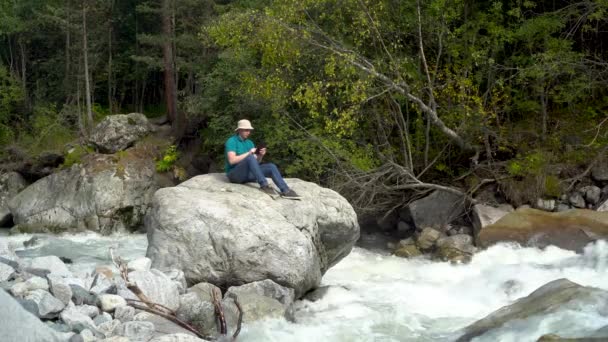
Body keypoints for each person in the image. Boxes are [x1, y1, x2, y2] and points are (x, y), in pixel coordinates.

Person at [225, 119, 301, 199]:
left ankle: (285, 190)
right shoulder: (231, 141)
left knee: (271, 166)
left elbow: (256, 163)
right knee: (250, 157)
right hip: (234, 175)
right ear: (239, 130)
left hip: (247, 175)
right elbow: (232, 161)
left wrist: (260, 155)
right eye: (246, 130)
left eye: (249, 130)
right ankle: (264, 185)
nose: (249, 132)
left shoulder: (250, 143)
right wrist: (249, 153)